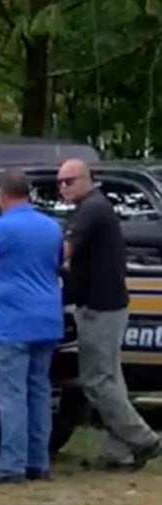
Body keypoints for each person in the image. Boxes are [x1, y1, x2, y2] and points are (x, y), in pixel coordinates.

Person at [0, 168, 65, 484]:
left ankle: (11, 463)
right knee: (39, 391)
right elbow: (57, 264)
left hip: (11, 321)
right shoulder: (51, 227)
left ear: (0, 195)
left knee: (12, 394)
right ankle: (38, 461)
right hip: (47, 318)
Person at [57, 158, 162, 470]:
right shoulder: (93, 208)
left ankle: (144, 439)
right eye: (60, 182)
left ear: (87, 179)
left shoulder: (91, 210)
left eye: (69, 181)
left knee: (96, 381)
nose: (63, 188)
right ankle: (120, 450)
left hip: (100, 308)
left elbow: (63, 251)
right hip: (109, 304)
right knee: (112, 380)